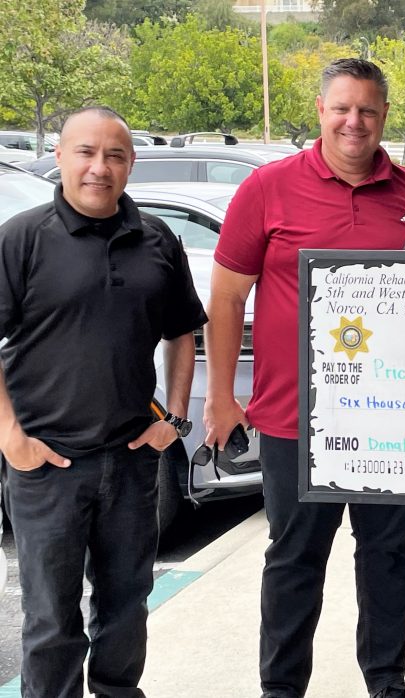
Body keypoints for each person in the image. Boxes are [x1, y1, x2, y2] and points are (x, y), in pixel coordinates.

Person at [203, 58, 405, 698]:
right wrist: (222, 397)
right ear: (321, 111)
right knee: (294, 561)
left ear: (384, 116)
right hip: (292, 420)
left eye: (367, 110)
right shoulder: (267, 188)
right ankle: (281, 687)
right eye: (341, 108)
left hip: (392, 423)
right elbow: (225, 300)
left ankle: (386, 680)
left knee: (387, 558)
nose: (353, 121)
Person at [0, 106, 206, 698]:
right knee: (50, 622)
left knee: (126, 608)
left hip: (131, 460)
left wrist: (173, 419)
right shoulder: (23, 239)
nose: (100, 167)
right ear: (60, 157)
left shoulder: (157, 240)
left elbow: (183, 331)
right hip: (48, 467)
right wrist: (12, 437)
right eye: (86, 152)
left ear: (130, 163)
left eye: (115, 155)